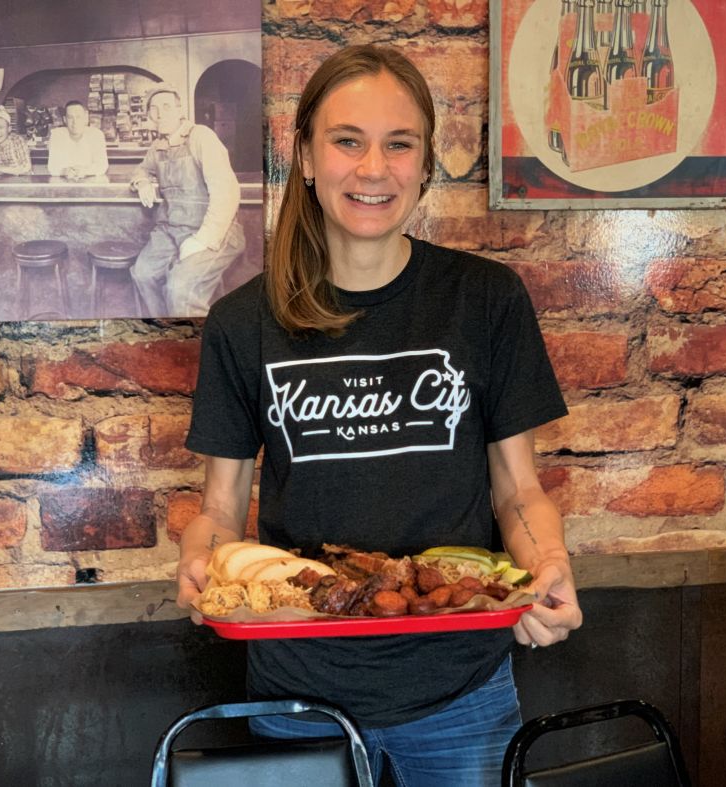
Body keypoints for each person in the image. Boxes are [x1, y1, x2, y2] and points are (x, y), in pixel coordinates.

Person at [178, 45, 582, 786]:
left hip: (460, 688)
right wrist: (200, 564)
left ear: (426, 164)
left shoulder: (485, 299)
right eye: (346, 140)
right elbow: (220, 506)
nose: (373, 169)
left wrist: (547, 567)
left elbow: (517, 490)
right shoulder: (243, 322)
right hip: (296, 696)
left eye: (400, 144)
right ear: (303, 154)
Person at [129, 82, 245, 318]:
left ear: (180, 110)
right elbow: (141, 170)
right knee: (142, 273)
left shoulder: (201, 137)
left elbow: (227, 193)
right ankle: (168, 331)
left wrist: (201, 240)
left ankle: (192, 344)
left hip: (212, 232)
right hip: (171, 229)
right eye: (153, 109)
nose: (160, 113)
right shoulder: (157, 146)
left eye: (166, 106)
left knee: (180, 290)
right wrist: (142, 182)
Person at [47, 100, 108, 179]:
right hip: (65, 186)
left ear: (86, 117)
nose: (74, 122)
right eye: (70, 118)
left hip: (90, 186)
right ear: (65, 120)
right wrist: (64, 171)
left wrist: (86, 171)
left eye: (78, 117)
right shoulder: (57, 135)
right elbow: (52, 167)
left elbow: (102, 166)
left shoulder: (96, 135)